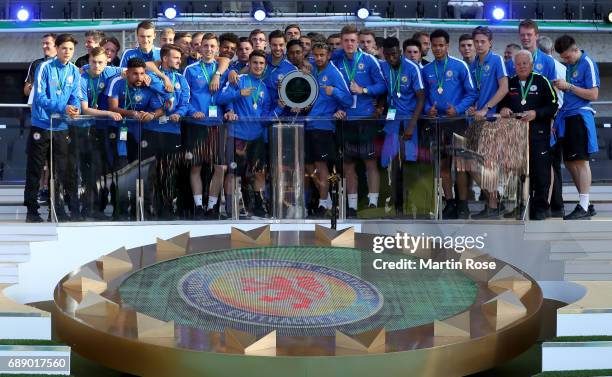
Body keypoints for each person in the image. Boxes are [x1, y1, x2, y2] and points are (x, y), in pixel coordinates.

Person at [217, 50, 283, 218]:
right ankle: (231, 207)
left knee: (259, 172)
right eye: (255, 63)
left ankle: (258, 205)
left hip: (257, 136)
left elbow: (265, 117)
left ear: (265, 66)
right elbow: (220, 98)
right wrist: (239, 93)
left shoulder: (264, 88)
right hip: (236, 135)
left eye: (261, 63)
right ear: (249, 64)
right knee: (233, 173)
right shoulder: (239, 80)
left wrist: (280, 107)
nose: (258, 66)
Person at [25, 34, 82, 222]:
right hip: (41, 125)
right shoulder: (44, 67)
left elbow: (75, 96)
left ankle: (56, 209)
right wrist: (61, 107)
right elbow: (39, 98)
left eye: (71, 49)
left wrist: (74, 109)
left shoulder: (74, 71)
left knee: (60, 170)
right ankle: (32, 211)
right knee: (35, 169)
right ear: (57, 48)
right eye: (64, 48)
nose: (67, 52)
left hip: (62, 126)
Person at [422, 29, 477, 219]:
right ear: (430, 46)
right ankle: (450, 202)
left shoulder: (460, 66)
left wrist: (459, 109)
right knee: (444, 166)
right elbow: (423, 97)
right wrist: (428, 108)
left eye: (441, 45)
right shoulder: (426, 70)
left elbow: (472, 93)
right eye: (434, 45)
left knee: (461, 166)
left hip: (458, 122)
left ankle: (463, 204)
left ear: (447, 46)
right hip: (437, 124)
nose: (437, 49)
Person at [332, 25, 386, 216]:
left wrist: (363, 90)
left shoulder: (369, 60)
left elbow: (382, 86)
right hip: (345, 120)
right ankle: (352, 206)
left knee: (370, 163)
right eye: (345, 40)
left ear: (358, 41)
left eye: (353, 40)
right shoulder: (335, 60)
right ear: (341, 41)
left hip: (366, 119)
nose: (349, 44)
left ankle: (373, 203)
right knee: (348, 165)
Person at [498, 50, 558, 220]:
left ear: (531, 65)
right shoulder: (509, 83)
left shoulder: (541, 81)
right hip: (516, 135)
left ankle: (540, 208)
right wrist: (503, 108)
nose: (522, 66)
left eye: (525, 63)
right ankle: (520, 206)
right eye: (518, 64)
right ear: (514, 66)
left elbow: (553, 106)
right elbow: (500, 103)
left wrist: (536, 114)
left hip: (538, 134)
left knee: (541, 172)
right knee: (518, 173)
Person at [518, 19, 563, 217]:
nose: (526, 38)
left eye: (529, 34)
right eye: (523, 35)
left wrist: (553, 120)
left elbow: (554, 94)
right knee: (523, 165)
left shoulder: (547, 62)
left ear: (536, 35)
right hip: (521, 125)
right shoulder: (518, 60)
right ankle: (525, 203)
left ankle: (547, 205)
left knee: (545, 166)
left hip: (544, 122)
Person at [553, 35, 600, 220]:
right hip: (567, 116)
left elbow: (594, 94)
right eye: (563, 58)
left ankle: (583, 206)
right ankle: (586, 204)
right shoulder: (570, 66)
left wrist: (569, 86)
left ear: (575, 49)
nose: (565, 60)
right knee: (570, 162)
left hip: (580, 116)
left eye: (567, 57)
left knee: (581, 161)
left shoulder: (587, 63)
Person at [183, 33, 229, 219]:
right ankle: (198, 206)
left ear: (217, 49)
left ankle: (211, 206)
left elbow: (230, 93)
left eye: (212, 46)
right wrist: (193, 111)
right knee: (196, 167)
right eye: (205, 46)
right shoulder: (191, 70)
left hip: (217, 125)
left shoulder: (224, 69)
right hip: (197, 124)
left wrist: (229, 110)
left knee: (220, 167)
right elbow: (184, 97)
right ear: (199, 48)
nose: (208, 49)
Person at [305, 42, 352, 217]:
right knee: (309, 165)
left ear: (329, 55)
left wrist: (335, 92)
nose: (318, 58)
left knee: (321, 165)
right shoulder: (312, 71)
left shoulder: (334, 73)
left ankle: (324, 203)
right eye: (315, 55)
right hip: (308, 124)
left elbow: (348, 100)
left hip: (324, 126)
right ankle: (327, 199)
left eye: (321, 55)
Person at [380, 37, 425, 214]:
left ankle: (410, 201)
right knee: (392, 163)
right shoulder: (383, 67)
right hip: (392, 121)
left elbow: (421, 97)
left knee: (409, 162)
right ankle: (396, 201)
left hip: (408, 121)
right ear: (384, 54)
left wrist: (412, 126)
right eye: (388, 55)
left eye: (394, 54)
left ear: (399, 52)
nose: (391, 58)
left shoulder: (412, 68)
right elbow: (384, 91)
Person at [78, 47, 124, 219]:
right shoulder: (82, 78)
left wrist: (147, 75)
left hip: (108, 130)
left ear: (107, 62)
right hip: (88, 130)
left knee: (111, 169)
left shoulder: (111, 70)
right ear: (88, 60)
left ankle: (112, 208)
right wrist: (109, 113)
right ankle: (90, 208)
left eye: (100, 62)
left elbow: (135, 69)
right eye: (93, 62)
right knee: (92, 171)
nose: (97, 66)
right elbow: (84, 110)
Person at [468, 26, 508, 219]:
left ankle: (492, 205)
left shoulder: (497, 59)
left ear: (490, 42)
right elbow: (472, 91)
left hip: (491, 120)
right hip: (475, 120)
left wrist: (487, 108)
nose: (479, 45)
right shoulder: (473, 64)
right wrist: (471, 107)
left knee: (487, 164)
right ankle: (494, 198)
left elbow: (504, 88)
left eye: (483, 41)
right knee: (472, 164)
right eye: (476, 41)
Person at [24, 33, 57, 98]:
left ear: (56, 45)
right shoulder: (36, 63)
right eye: (43, 43)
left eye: (47, 43)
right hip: (40, 106)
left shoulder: (65, 64)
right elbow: (26, 92)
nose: (44, 46)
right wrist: (32, 87)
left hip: (59, 106)